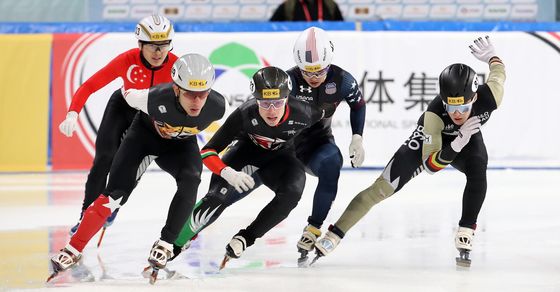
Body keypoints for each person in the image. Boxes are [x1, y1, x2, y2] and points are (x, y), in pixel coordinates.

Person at [313, 36, 506, 268]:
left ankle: (466, 228)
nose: (457, 114)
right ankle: (334, 235)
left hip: (468, 138)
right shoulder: (434, 114)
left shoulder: (490, 96)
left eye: (463, 107)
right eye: (451, 106)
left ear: (474, 98)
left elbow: (498, 73)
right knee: (381, 189)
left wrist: (492, 57)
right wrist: (456, 143)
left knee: (478, 167)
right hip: (433, 143)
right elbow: (431, 167)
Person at [48, 54, 227, 284]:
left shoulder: (218, 106)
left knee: (192, 178)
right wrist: (74, 111)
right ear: (175, 89)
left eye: (203, 94)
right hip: (143, 140)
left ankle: (165, 243)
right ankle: (73, 248)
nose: (197, 101)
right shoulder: (150, 98)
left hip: (181, 146)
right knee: (115, 195)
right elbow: (124, 95)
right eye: (190, 94)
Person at [168, 66, 325, 269]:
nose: (271, 110)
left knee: (293, 192)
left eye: (277, 103)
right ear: (255, 100)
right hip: (245, 155)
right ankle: (174, 245)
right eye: (265, 103)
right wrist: (227, 172)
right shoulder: (244, 113)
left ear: (287, 99)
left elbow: (327, 112)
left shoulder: (305, 112)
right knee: (217, 198)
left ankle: (246, 238)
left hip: (280, 161)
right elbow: (208, 151)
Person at [58, 15, 178, 236]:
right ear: (140, 44)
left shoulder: (176, 67)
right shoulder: (127, 60)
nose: (159, 52)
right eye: (152, 45)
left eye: (164, 45)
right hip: (122, 108)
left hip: (150, 117)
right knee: (103, 160)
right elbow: (89, 85)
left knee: (132, 169)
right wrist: (72, 113)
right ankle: (86, 217)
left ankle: (112, 207)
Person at [270, 0, 344, 21]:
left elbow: (343, 29)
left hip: (325, 48)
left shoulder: (331, 5)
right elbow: (270, 29)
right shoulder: (288, 6)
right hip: (296, 49)